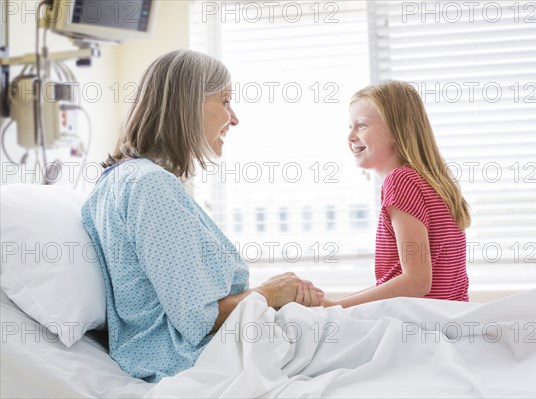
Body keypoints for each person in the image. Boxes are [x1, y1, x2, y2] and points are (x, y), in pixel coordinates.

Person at [81, 49, 323, 383]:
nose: (234, 118)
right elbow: (198, 318)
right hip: (194, 361)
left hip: (184, 356)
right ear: (188, 104)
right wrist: (269, 293)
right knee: (390, 330)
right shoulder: (151, 185)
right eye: (225, 101)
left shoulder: (118, 181)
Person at [324, 81, 471, 308]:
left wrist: (333, 308)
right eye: (350, 127)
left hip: (419, 326)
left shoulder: (400, 181)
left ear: (395, 130)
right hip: (448, 320)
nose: (351, 136)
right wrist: (335, 304)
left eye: (361, 125)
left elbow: (417, 282)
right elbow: (397, 280)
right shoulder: (435, 182)